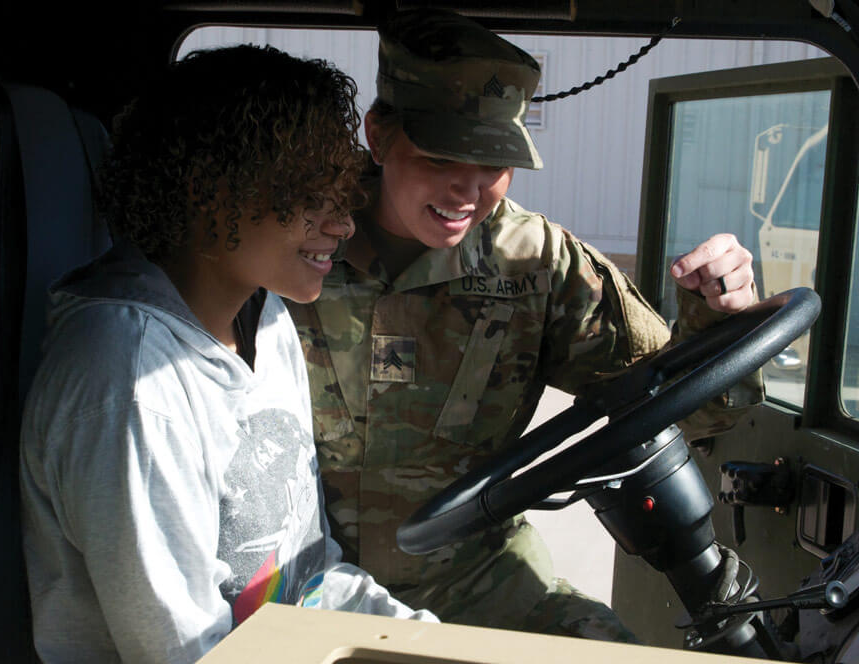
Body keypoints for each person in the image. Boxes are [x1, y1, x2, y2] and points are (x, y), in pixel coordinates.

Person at [286, 8, 764, 643]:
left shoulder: (537, 265)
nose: (468, 189)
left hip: (477, 582)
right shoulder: (294, 236)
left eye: (494, 163)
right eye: (442, 156)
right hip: (307, 581)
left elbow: (690, 411)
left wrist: (719, 320)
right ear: (379, 134)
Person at [19, 44, 435, 664]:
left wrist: (422, 641)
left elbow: (310, 573)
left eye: (338, 191)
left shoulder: (264, 317)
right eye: (306, 195)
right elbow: (185, 654)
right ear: (211, 191)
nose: (343, 224)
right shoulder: (129, 384)